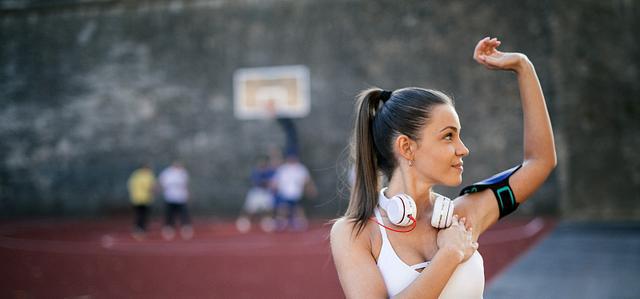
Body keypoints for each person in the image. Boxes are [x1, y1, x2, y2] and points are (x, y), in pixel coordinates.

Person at [330, 37, 556, 298]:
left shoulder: (461, 217)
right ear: (406, 147)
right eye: (448, 136)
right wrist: (449, 254)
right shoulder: (355, 232)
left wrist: (523, 67)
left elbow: (540, 162)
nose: (463, 149)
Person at [272, 153, 317, 231]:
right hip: (285, 192)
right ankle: (281, 222)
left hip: (296, 193)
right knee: (283, 208)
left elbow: (306, 180)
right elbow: (276, 181)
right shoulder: (283, 168)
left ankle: (300, 222)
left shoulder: (300, 168)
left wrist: (310, 189)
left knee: (298, 208)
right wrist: (274, 188)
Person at [236, 154, 278, 233]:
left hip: (266, 192)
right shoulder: (256, 171)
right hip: (256, 192)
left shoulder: (270, 171)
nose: (262, 163)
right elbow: (258, 182)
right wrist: (267, 182)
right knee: (250, 208)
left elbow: (273, 182)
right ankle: (244, 221)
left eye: (264, 162)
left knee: (268, 208)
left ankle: (267, 222)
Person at [159, 161, 193, 240]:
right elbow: (162, 184)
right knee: (170, 215)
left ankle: (185, 228)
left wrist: (188, 194)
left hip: (181, 198)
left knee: (184, 214)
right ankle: (169, 229)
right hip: (170, 198)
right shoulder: (167, 173)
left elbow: (185, 185)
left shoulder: (183, 172)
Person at [127, 163, 156, 240]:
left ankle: (139, 228)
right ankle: (140, 229)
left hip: (141, 198)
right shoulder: (146, 175)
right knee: (141, 214)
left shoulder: (136, 174)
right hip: (141, 198)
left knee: (141, 214)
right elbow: (150, 186)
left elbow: (130, 185)